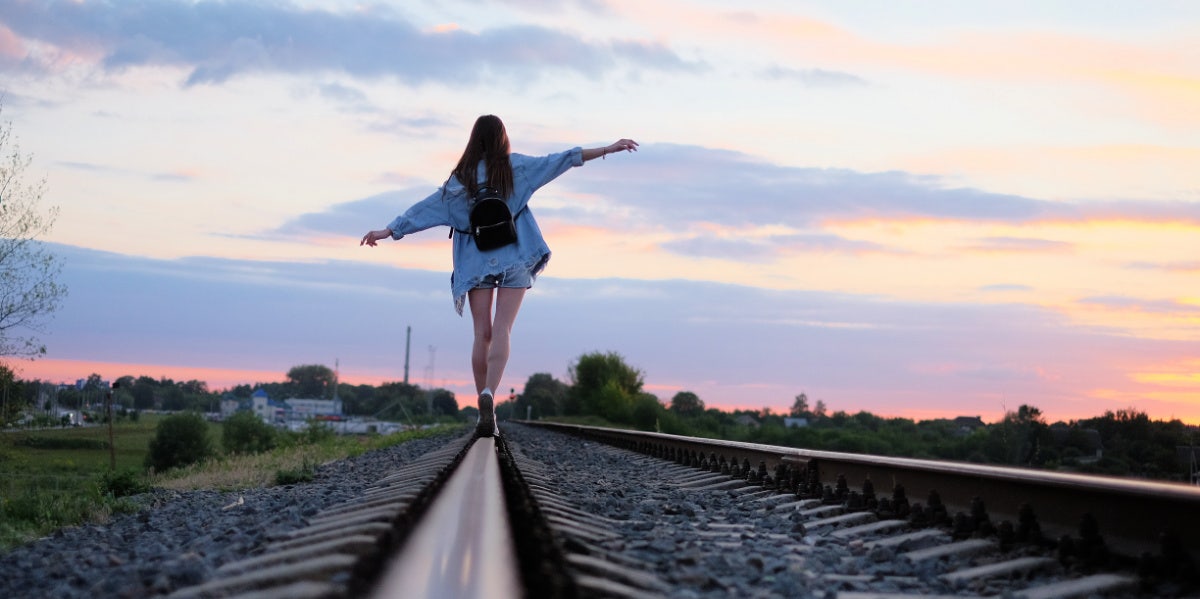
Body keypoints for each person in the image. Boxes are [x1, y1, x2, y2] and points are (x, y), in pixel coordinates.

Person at [361, 115, 638, 437]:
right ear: (502, 138)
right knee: (504, 329)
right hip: (515, 257)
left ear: (473, 139)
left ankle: (484, 407)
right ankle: (491, 392)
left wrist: (388, 230)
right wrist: (609, 148)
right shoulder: (516, 168)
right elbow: (563, 159)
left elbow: (422, 210)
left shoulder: (458, 181)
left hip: (475, 263)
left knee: (483, 333)